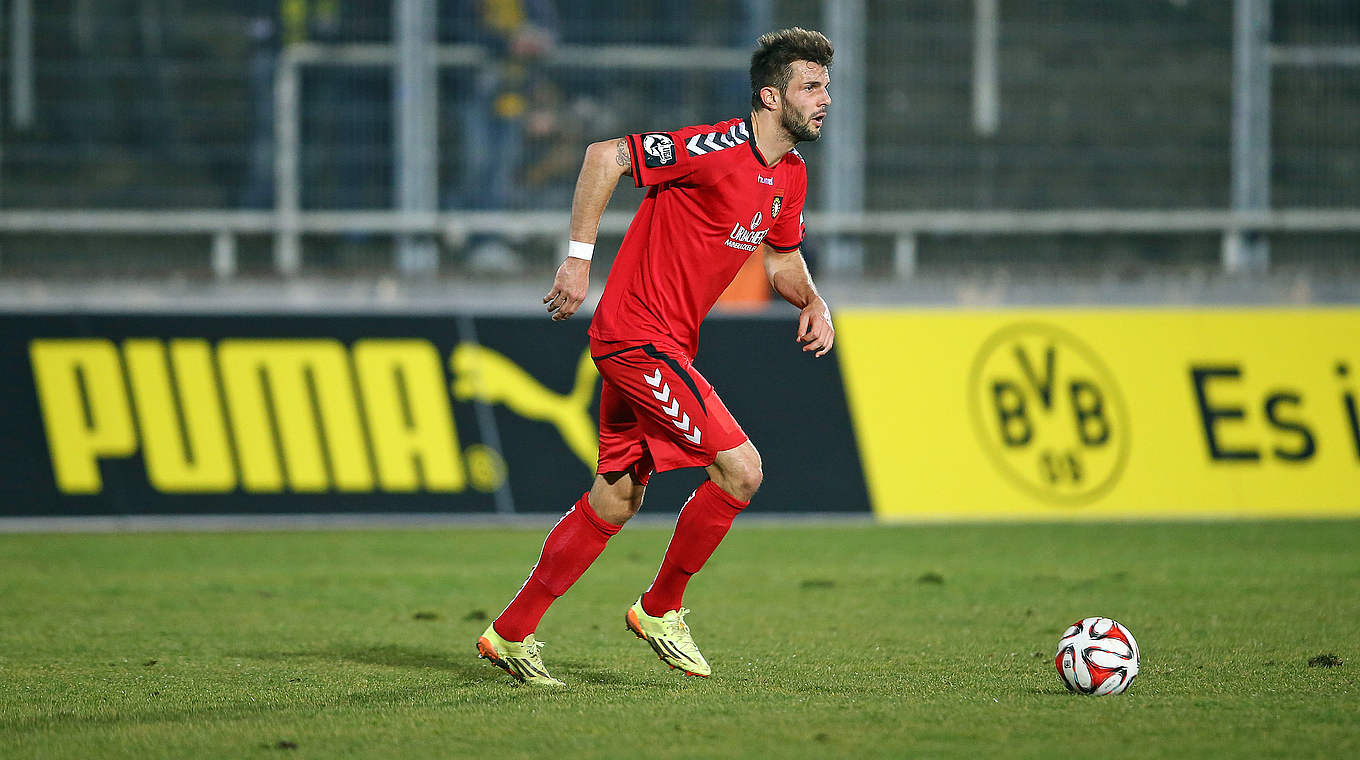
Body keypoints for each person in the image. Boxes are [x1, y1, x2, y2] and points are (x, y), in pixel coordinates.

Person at [476, 28, 836, 686]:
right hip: (635, 338)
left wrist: (812, 301)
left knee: (615, 499)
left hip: (664, 344)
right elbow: (604, 156)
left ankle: (510, 632)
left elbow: (781, 258)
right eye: (811, 87)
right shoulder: (715, 147)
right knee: (743, 471)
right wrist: (579, 265)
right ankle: (660, 609)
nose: (825, 99)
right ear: (770, 95)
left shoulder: (790, 175)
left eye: (826, 87)